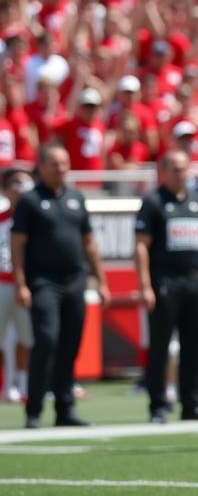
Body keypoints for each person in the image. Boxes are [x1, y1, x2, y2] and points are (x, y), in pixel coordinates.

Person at [12, 144, 111, 428]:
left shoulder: (76, 198)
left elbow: (89, 244)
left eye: (65, 163)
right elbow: (18, 244)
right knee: (46, 340)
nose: (61, 168)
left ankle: (65, 409)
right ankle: (34, 410)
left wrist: (101, 280)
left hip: (74, 280)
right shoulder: (30, 201)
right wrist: (21, 284)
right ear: (41, 166)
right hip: (43, 282)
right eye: (55, 163)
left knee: (70, 345)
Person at [134, 150, 198, 423]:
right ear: (164, 171)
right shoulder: (153, 202)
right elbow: (141, 245)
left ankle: (192, 404)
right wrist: (146, 285)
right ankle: (158, 404)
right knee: (160, 346)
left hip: (195, 279)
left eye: (185, 169)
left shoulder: (197, 201)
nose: (182, 175)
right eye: (176, 169)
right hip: (165, 281)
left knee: (195, 346)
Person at [0, 167, 34, 403]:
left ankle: (24, 385)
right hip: (1, 283)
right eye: (13, 184)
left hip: (25, 284)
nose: (18, 190)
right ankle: (5, 384)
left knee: (27, 338)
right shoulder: (1, 219)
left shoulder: (34, 220)